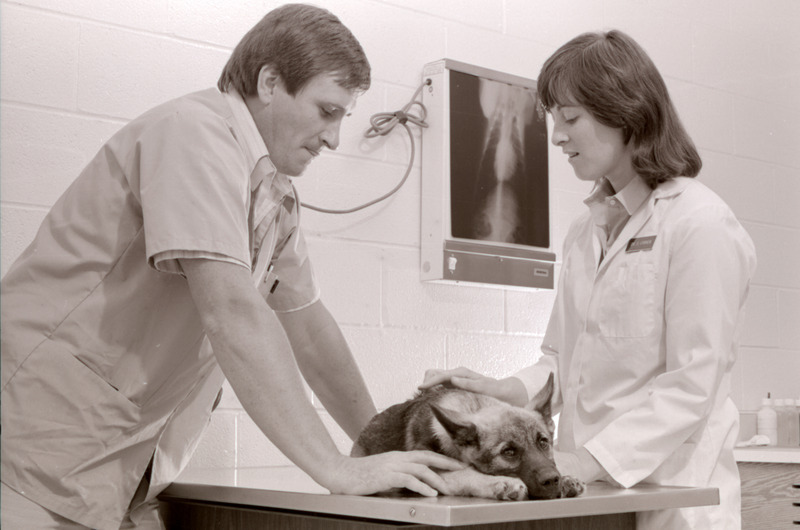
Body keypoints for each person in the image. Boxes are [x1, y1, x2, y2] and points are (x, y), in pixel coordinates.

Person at [0, 4, 462, 529]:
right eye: (327, 111)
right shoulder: (194, 132)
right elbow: (232, 311)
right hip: (38, 442)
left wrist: (381, 448)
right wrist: (334, 468)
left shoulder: (273, 192)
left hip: (115, 462)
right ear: (269, 82)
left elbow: (308, 329)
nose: (334, 138)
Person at [422, 30, 755, 529]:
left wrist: (585, 461)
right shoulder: (585, 230)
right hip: (592, 501)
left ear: (626, 111)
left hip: (674, 498)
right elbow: (561, 364)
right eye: (553, 119)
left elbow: (692, 385)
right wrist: (503, 389)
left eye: (570, 118)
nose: (556, 136)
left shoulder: (699, 224)